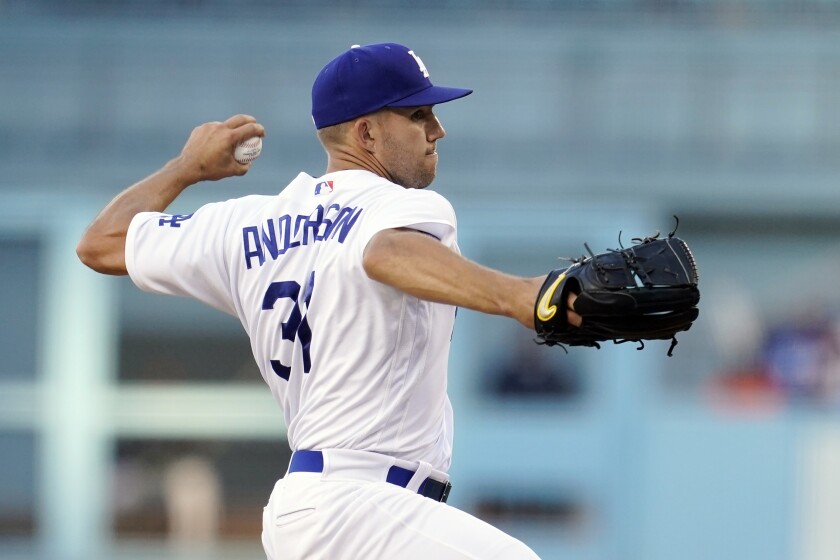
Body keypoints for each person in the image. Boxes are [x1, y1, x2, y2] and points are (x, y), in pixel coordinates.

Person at [77, 42, 581, 560]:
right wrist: (522, 296)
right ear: (366, 132)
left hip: (311, 510)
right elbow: (384, 252)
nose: (438, 129)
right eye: (418, 114)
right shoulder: (399, 206)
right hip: (361, 505)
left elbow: (102, 242)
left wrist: (184, 169)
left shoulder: (246, 224)